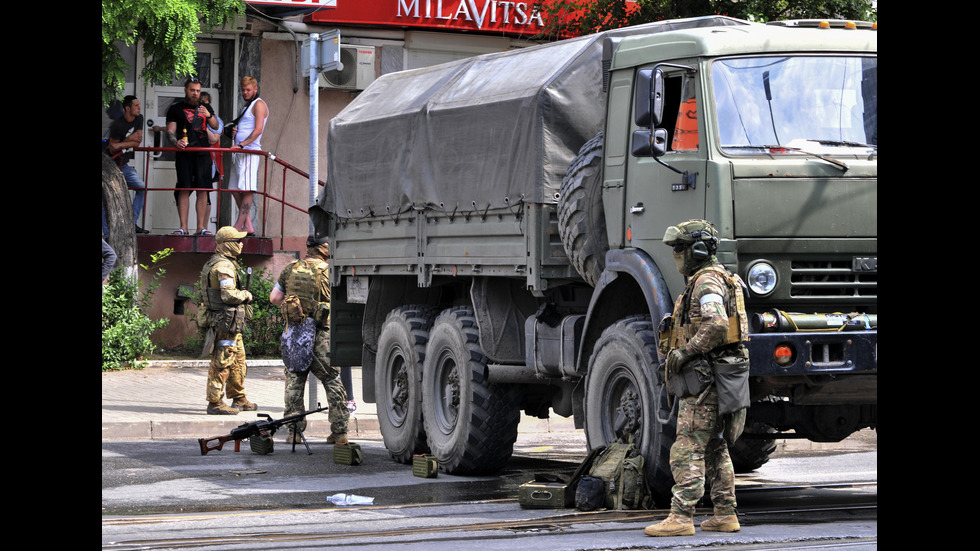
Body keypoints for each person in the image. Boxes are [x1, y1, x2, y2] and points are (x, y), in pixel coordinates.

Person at [644, 219, 749, 537]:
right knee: (715, 446)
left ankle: (681, 516)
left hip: (704, 378)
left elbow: (716, 324)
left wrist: (685, 351)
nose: (676, 254)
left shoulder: (707, 282)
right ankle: (725, 513)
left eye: (680, 248)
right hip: (718, 377)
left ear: (699, 250)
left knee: (687, 445)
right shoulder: (719, 278)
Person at [270, 235, 350, 445]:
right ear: (324, 248)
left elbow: (275, 298)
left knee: (294, 381)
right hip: (322, 334)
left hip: (296, 334)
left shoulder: (290, 268)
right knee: (332, 380)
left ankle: (294, 433)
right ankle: (340, 433)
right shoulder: (329, 271)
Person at [200, 226, 257, 415]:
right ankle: (215, 402)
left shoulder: (217, 262)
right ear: (227, 245)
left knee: (238, 360)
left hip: (231, 323)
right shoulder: (223, 267)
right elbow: (228, 295)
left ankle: (239, 398)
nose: (241, 244)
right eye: (237, 241)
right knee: (222, 361)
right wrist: (245, 294)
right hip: (224, 322)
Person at [167, 77, 219, 236]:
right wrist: (176, 142)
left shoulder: (206, 107)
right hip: (185, 154)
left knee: (203, 190)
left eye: (197, 90)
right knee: (184, 188)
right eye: (192, 90)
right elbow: (170, 131)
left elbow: (216, 126)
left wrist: (209, 115)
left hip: (203, 154)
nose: (195, 93)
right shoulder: (175, 108)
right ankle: (183, 227)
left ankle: (201, 228)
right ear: (185, 90)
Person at [230, 76, 268, 235]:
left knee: (247, 189)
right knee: (233, 187)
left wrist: (241, 145)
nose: (245, 92)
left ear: (255, 89)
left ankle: (239, 226)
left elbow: (258, 130)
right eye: (243, 90)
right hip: (239, 152)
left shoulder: (259, 104)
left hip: (249, 151)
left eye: (248, 90)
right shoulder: (247, 106)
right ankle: (248, 225)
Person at [106, 95, 149, 234]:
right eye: (136, 105)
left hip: (123, 164)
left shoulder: (139, 118)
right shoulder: (118, 125)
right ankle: (106, 233)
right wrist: (129, 139)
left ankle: (132, 223)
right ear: (127, 108)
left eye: (139, 105)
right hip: (111, 166)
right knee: (106, 197)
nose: (139, 108)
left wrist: (123, 143)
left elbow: (138, 142)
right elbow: (112, 148)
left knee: (142, 188)